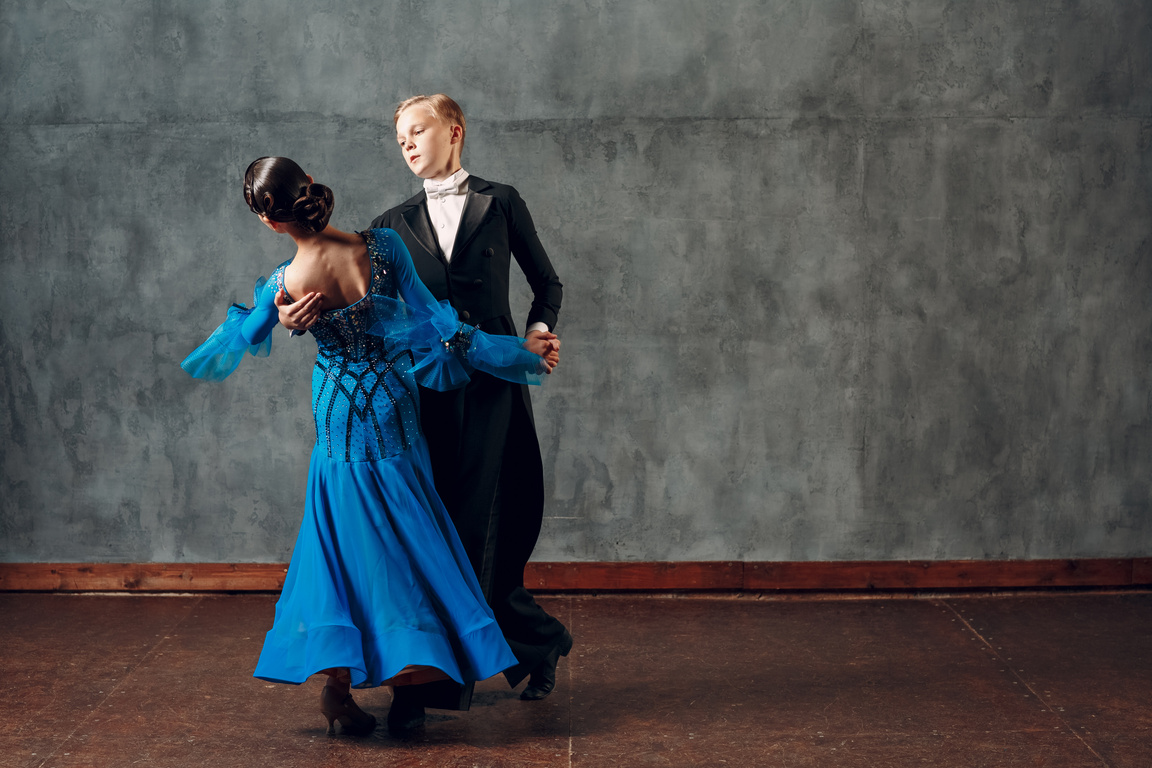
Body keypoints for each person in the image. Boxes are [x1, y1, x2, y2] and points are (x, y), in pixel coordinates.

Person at [181, 156, 551, 737]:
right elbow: (440, 327)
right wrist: (516, 355)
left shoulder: (285, 282)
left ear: (267, 219)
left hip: (336, 415)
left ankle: (338, 688)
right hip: (390, 409)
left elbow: (243, 337)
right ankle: (409, 685)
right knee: (407, 536)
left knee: (338, 541)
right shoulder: (380, 249)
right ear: (309, 189)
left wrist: (279, 316)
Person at [277, 94, 571, 727]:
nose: (408, 144)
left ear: (454, 132)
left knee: (484, 524)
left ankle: (521, 648)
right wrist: (290, 316)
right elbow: (336, 284)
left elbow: (548, 282)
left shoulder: (503, 201)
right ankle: (424, 680)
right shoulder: (389, 224)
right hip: (421, 388)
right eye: (400, 137)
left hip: (492, 376)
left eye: (419, 131)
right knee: (426, 532)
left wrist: (537, 332)